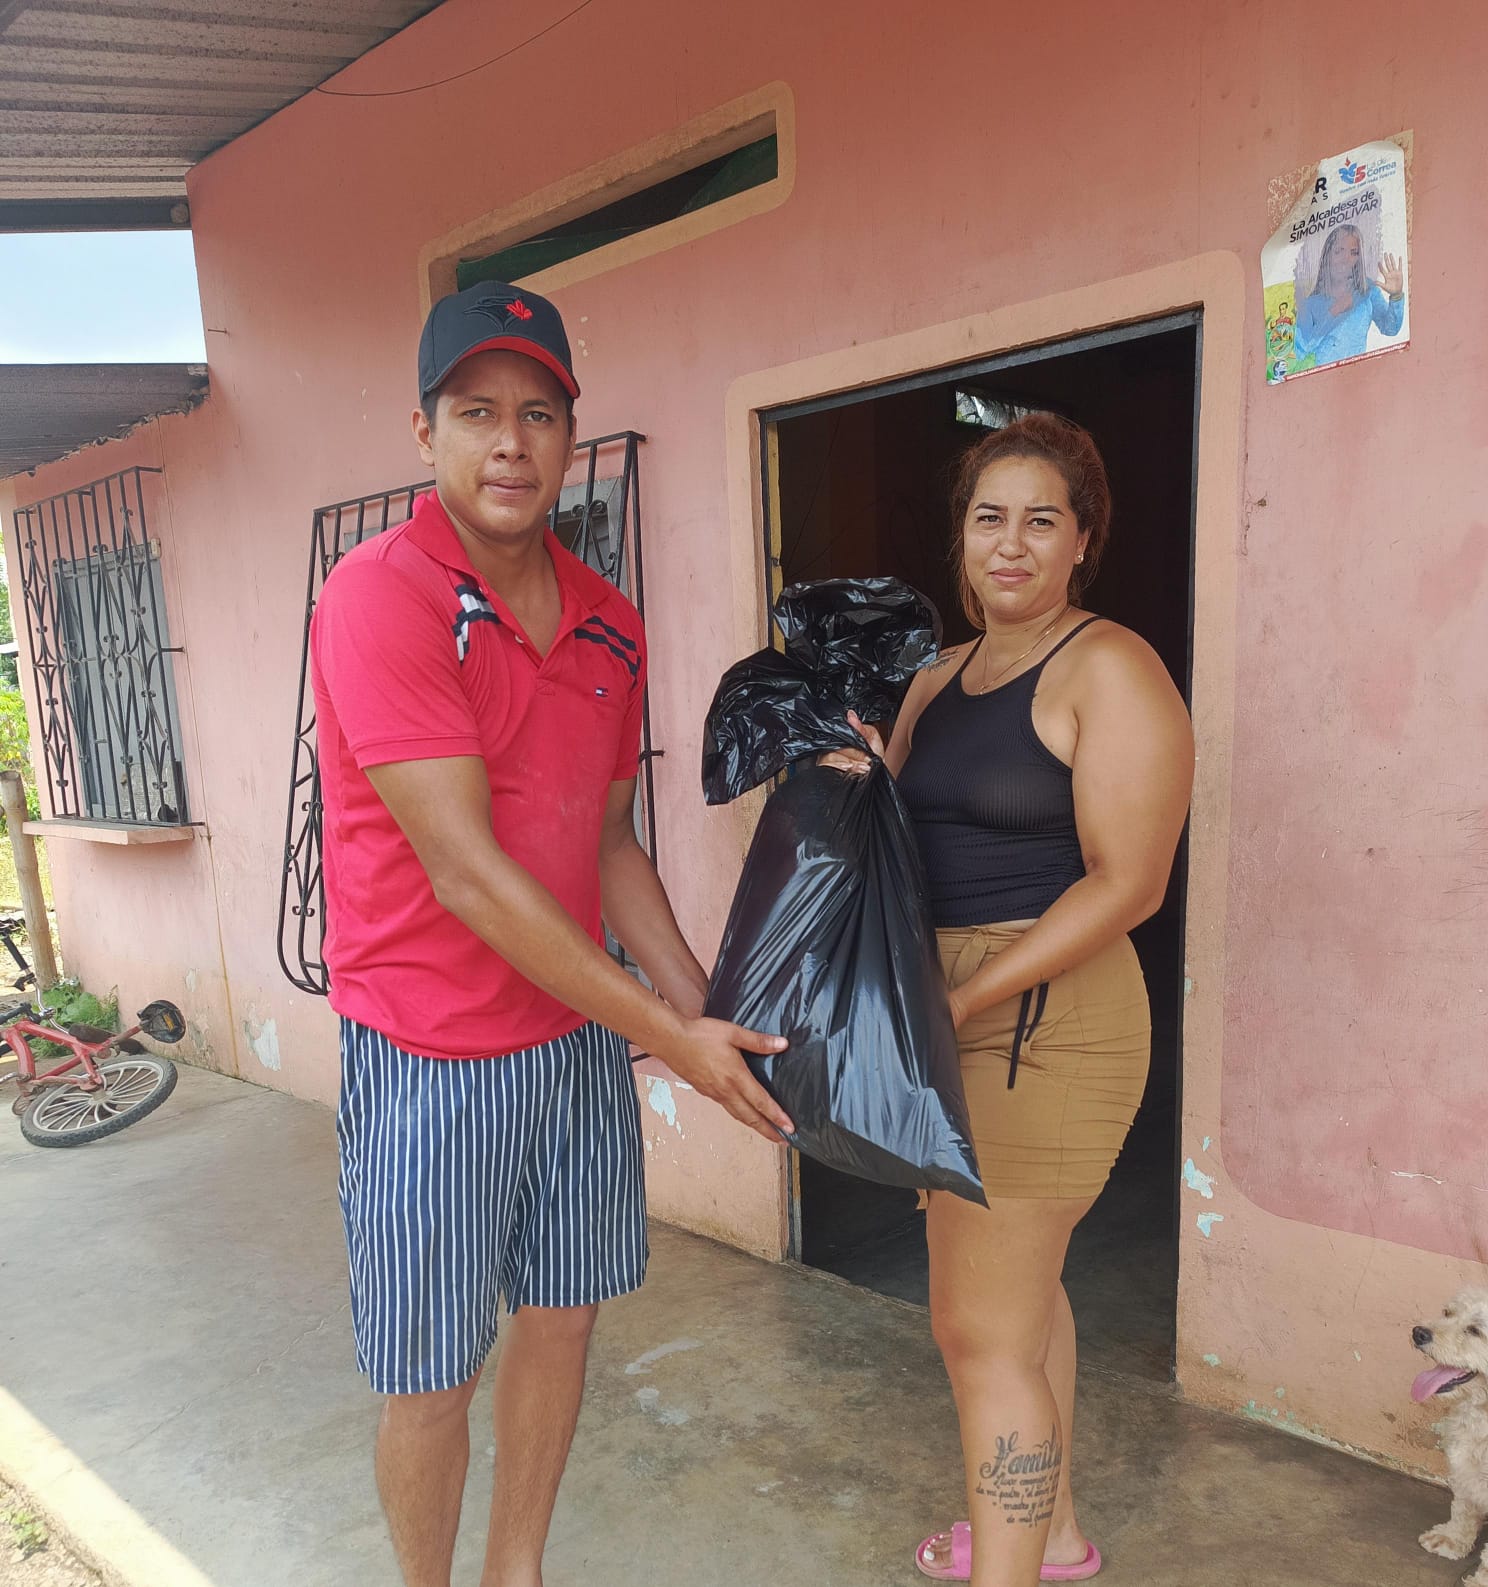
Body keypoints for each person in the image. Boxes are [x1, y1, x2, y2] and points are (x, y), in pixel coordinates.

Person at [310, 278, 793, 1587]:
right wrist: (670, 1037)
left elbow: (611, 844)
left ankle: (514, 1567)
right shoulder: (381, 596)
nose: (510, 442)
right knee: (432, 1373)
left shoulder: (608, 618)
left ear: (570, 436)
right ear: (426, 432)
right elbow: (466, 874)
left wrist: (706, 1005)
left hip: (576, 1040)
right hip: (430, 1054)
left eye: (538, 413)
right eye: (477, 412)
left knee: (564, 1318)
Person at [823, 413, 1193, 1585]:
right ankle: (1055, 1538)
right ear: (962, 536)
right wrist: (842, 776)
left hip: (1045, 1016)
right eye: (991, 518)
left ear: (1083, 541)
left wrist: (968, 998)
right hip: (948, 1011)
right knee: (1019, 1306)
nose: (1012, 544)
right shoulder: (937, 680)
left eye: (1043, 521)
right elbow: (890, 832)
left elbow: (1129, 882)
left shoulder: (1109, 666)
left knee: (979, 1334)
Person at [1293, 223, 1405, 368]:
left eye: (1354, 252)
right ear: (1327, 255)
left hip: (1358, 376)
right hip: (1324, 378)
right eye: (1339, 251)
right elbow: (1301, 351)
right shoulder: (1311, 303)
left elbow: (1390, 328)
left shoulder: (1367, 290)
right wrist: (1333, 312)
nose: (1346, 258)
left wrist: (1396, 296)